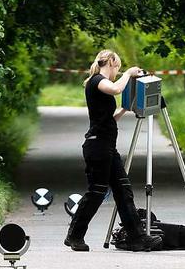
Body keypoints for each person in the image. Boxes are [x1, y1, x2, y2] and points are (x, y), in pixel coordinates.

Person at [64, 50, 162, 252]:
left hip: (107, 145)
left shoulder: (102, 84)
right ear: (110, 62)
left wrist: (125, 109)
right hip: (97, 146)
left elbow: (108, 118)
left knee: (123, 190)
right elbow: (117, 89)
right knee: (97, 192)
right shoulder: (97, 81)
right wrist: (129, 73)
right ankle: (74, 235)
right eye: (117, 67)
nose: (118, 72)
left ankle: (137, 238)